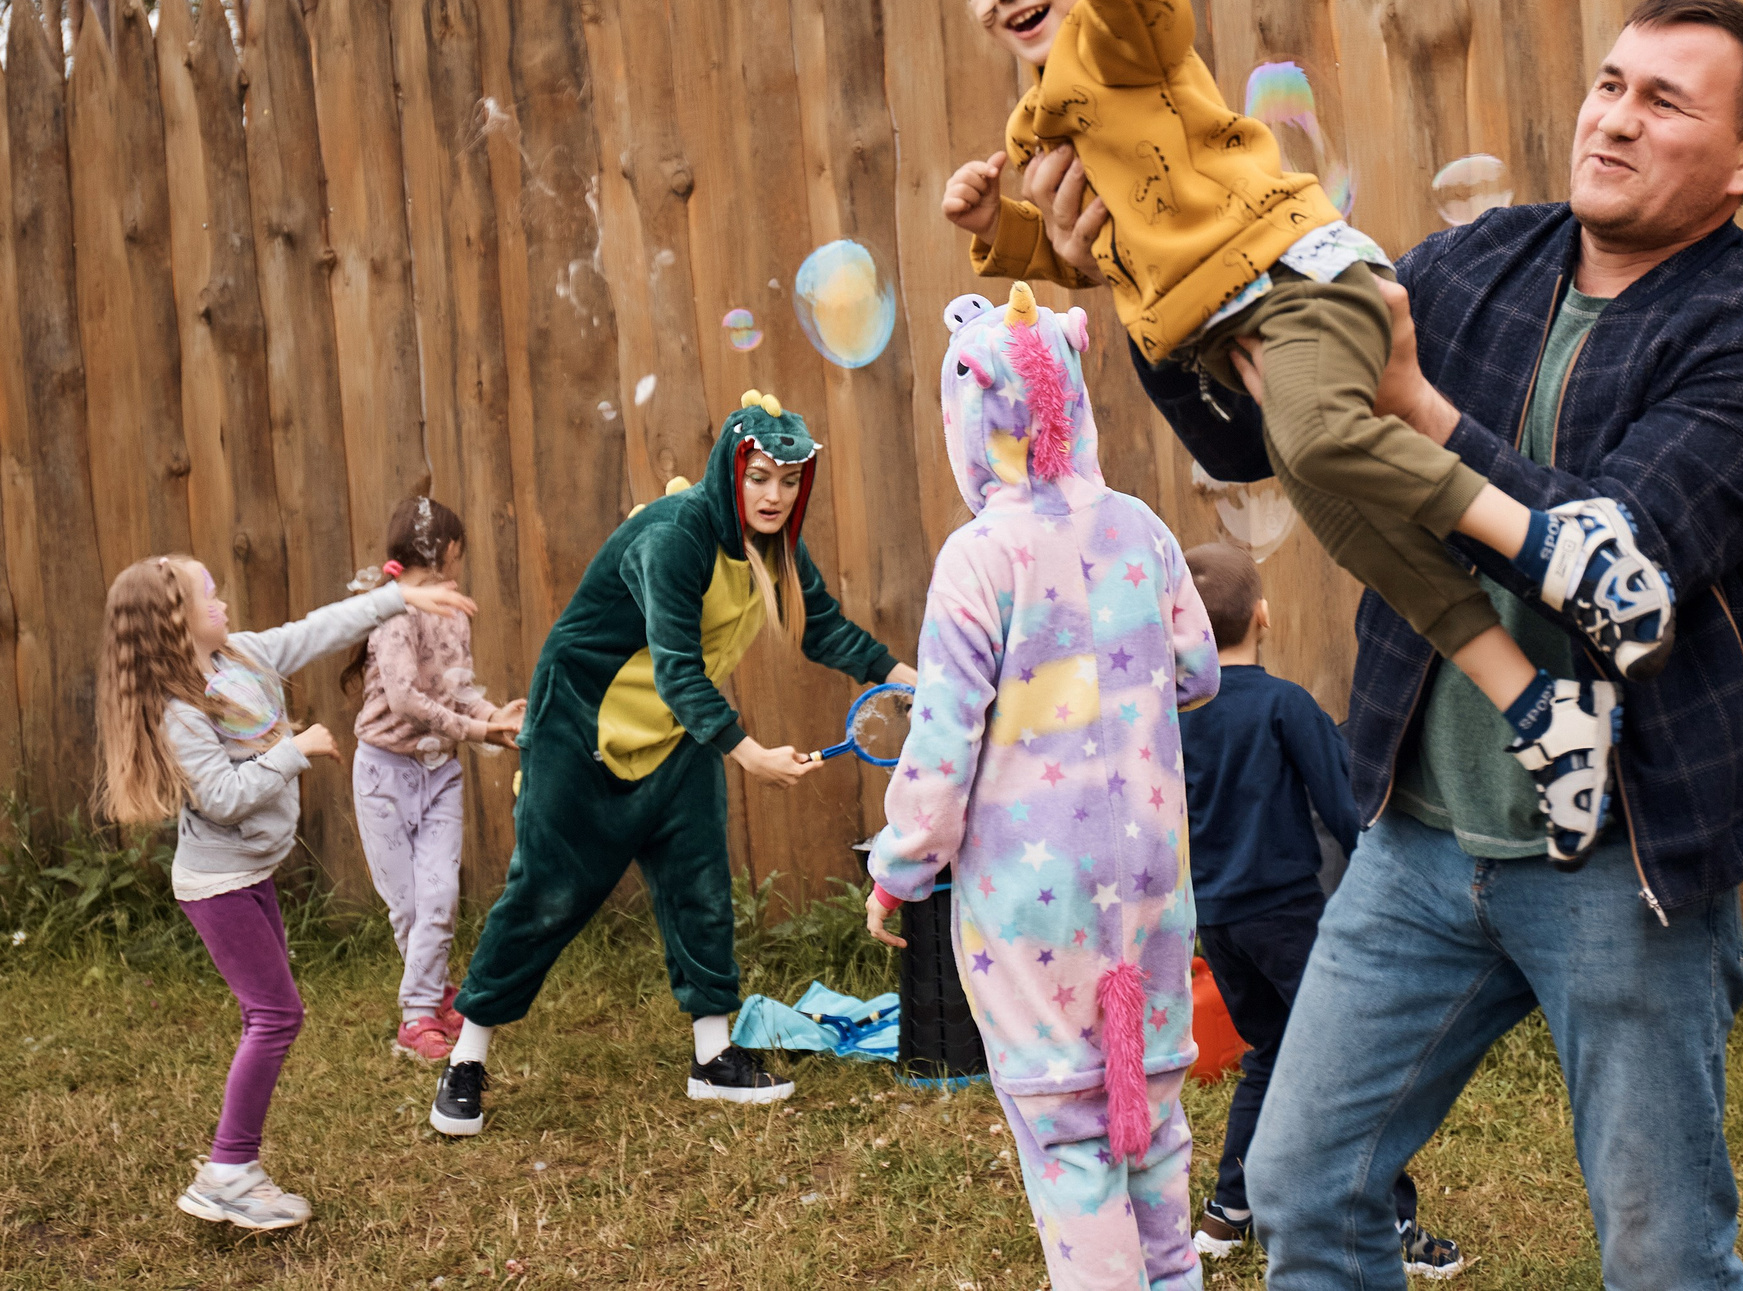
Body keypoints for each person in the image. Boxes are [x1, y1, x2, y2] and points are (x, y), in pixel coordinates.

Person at [1145, 0, 1743, 1288]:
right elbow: (1256, 432)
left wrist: (1412, 403)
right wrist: (1147, 302)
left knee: (1662, 1253)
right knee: (1303, 1182)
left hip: (1616, 862)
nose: (1615, 119)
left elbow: (1616, 561)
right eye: (1610, 82)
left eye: (1665, 101)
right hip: (1415, 837)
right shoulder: (1472, 264)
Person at [937, 0, 1681, 872]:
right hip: (1235, 333)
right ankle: (1544, 713)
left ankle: (1572, 556)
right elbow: (1103, 254)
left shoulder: (1117, 46)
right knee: (1365, 539)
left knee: (1322, 437)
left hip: (1297, 283)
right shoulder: (1045, 126)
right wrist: (999, 233)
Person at [432, 391, 914, 1136]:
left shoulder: (776, 547)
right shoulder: (676, 534)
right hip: (582, 725)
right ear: (731, 469)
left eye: (789, 482)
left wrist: (904, 677)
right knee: (545, 895)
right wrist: (748, 752)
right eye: (760, 477)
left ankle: (713, 1058)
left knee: (700, 884)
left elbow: (820, 627)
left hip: (679, 732)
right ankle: (465, 1058)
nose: (774, 495)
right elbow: (676, 667)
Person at [864, 284, 1220, 1291]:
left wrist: (898, 871)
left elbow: (939, 755)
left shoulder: (978, 560)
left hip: (1032, 916)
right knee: (1148, 1126)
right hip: (1149, 893)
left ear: (968, 417)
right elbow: (1197, 671)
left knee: (1069, 1143)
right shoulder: (1143, 532)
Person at [94, 553, 477, 1231]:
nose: (224, 605)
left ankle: (231, 1168)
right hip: (218, 884)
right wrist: (295, 748)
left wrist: (398, 597)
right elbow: (221, 798)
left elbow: (318, 628)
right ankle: (229, 1171)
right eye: (208, 598)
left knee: (269, 1015)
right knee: (276, 1016)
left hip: (249, 874)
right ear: (176, 622)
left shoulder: (240, 657)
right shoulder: (181, 710)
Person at [1177, 543, 1460, 1281]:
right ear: (1263, 615)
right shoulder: (1285, 705)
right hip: (1290, 918)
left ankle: (1225, 1216)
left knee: (1269, 1054)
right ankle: (1393, 1221)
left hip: (1217, 921)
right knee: (1348, 1065)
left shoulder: (1166, 716)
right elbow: (1348, 808)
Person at [345, 495, 526, 1062]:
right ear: (449, 550)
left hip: (440, 773)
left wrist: (494, 715)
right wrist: (477, 731)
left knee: (440, 896)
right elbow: (403, 699)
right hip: (383, 776)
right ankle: (434, 995)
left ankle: (417, 1016)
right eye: (460, 552)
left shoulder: (451, 613)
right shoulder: (392, 613)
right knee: (409, 907)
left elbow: (456, 687)